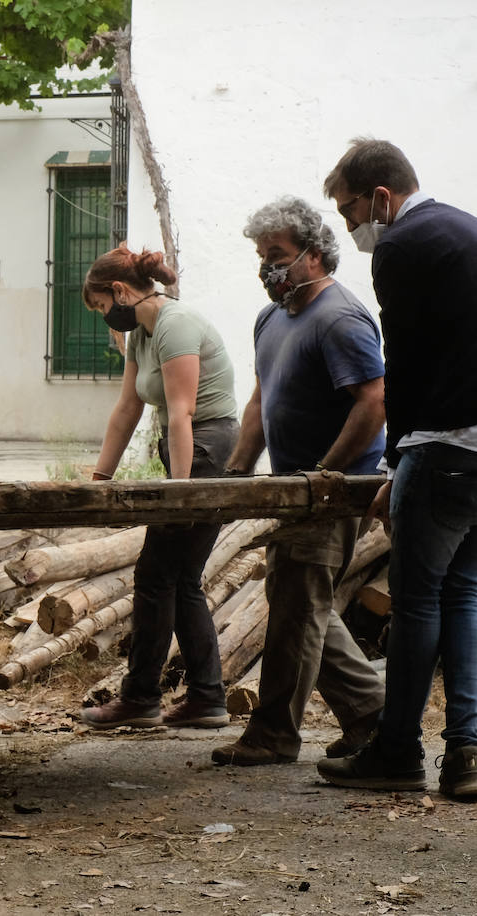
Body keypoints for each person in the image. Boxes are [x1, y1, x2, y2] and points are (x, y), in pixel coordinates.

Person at [317, 139, 477, 799]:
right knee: (464, 596)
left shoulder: (402, 244)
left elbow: (401, 364)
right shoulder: (467, 229)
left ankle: (397, 749)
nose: (351, 227)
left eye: (350, 210)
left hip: (441, 449)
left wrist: (395, 457)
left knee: (413, 606)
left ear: (381, 197)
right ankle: (466, 754)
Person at [210, 196, 386, 767]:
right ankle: (372, 713)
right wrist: (237, 469)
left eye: (278, 255)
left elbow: (373, 401)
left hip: (332, 493)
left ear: (313, 256)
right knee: (300, 601)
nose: (267, 267)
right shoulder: (272, 317)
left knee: (298, 605)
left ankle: (273, 734)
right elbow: (262, 399)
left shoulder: (339, 318)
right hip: (292, 489)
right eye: (262, 256)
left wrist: (326, 475)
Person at [78, 246, 239, 731]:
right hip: (186, 449)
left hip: (206, 446)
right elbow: (128, 408)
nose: (106, 317)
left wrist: (180, 492)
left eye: (103, 306)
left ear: (121, 292)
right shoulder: (142, 337)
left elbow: (183, 413)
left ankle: (142, 697)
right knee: (180, 579)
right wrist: (100, 479)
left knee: (156, 576)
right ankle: (206, 698)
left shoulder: (176, 324)